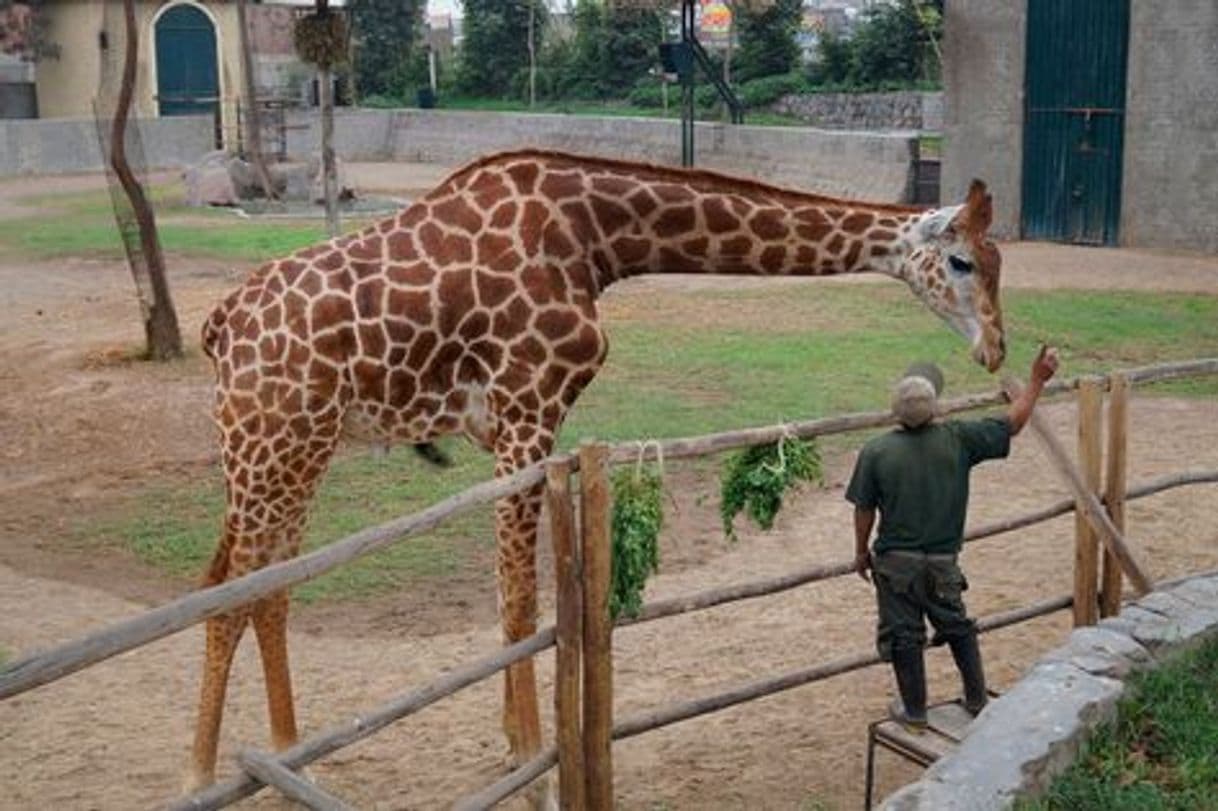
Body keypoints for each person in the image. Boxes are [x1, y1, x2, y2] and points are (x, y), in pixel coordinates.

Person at [846, 346, 1060, 727]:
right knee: (956, 624)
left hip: (896, 565)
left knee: (904, 635)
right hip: (944, 562)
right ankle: (977, 697)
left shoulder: (876, 451)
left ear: (896, 412)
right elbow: (1013, 422)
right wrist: (1037, 381)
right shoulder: (958, 438)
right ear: (936, 408)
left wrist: (861, 552)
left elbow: (864, 509)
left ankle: (914, 711)